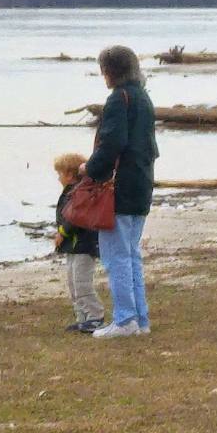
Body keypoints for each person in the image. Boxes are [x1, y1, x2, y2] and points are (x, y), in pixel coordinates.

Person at [85, 45, 158, 338]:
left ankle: (125, 319)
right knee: (131, 255)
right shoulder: (143, 97)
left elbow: (112, 143)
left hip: (120, 188)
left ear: (110, 71)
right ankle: (140, 319)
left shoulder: (118, 99)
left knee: (116, 256)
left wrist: (89, 169)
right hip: (141, 183)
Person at [52, 152, 105, 333]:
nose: (58, 178)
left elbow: (75, 217)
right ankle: (82, 316)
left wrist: (62, 233)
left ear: (69, 174)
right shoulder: (70, 192)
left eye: (59, 174)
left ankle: (95, 316)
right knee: (72, 282)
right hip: (73, 246)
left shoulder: (79, 192)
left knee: (82, 282)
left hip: (83, 245)